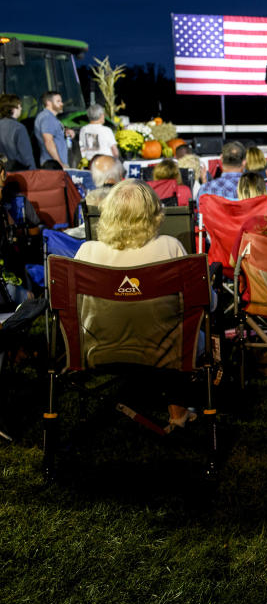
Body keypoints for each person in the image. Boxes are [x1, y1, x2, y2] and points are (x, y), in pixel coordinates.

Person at [73, 179, 193, 428]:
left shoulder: (87, 252)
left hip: (97, 349)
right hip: (164, 351)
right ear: (153, 214)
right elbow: (202, 305)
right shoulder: (170, 247)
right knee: (188, 331)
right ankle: (178, 412)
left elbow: (71, 307)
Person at [34, 91, 74, 169]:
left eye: (61, 101)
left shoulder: (49, 118)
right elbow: (48, 141)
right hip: (53, 166)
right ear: (48, 103)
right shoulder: (47, 118)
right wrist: (60, 163)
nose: (62, 104)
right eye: (58, 101)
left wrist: (65, 131)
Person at [0, 94, 36, 170]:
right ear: (13, 109)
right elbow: (27, 156)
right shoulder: (19, 128)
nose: (21, 109)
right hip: (17, 173)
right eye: (19, 106)